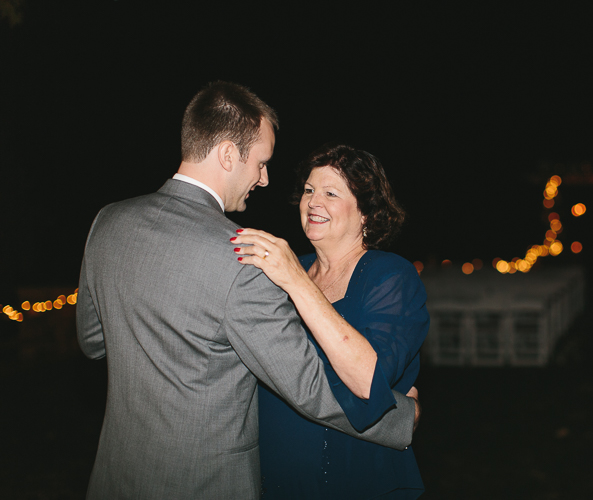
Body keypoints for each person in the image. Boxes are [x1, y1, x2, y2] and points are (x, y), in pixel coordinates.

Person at [76, 82, 418, 500]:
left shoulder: (107, 222)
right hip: (203, 483)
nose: (264, 178)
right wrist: (403, 415)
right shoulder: (242, 256)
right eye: (260, 162)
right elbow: (309, 386)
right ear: (227, 154)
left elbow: (93, 342)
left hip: (116, 475)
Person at [232, 143, 429, 499]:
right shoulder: (289, 266)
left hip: (355, 477)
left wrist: (296, 280)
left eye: (330, 193)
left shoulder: (390, 275)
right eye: (308, 190)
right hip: (274, 475)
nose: (313, 201)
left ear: (366, 212)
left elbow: (370, 381)